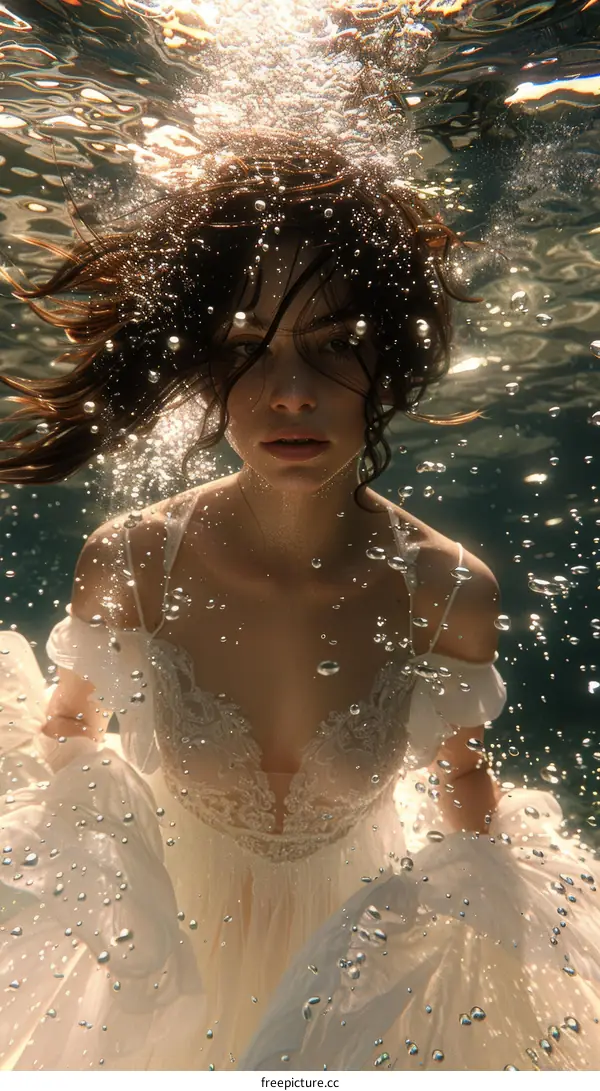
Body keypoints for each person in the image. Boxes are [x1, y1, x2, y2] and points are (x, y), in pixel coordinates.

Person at [0, 133, 598, 1072]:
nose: (290, 394)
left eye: (336, 348)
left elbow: (459, 781)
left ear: (390, 364)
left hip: (361, 966)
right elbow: (69, 733)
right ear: (200, 366)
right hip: (163, 947)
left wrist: (509, 956)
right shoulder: (132, 559)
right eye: (247, 347)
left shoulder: (444, 589)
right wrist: (110, 889)